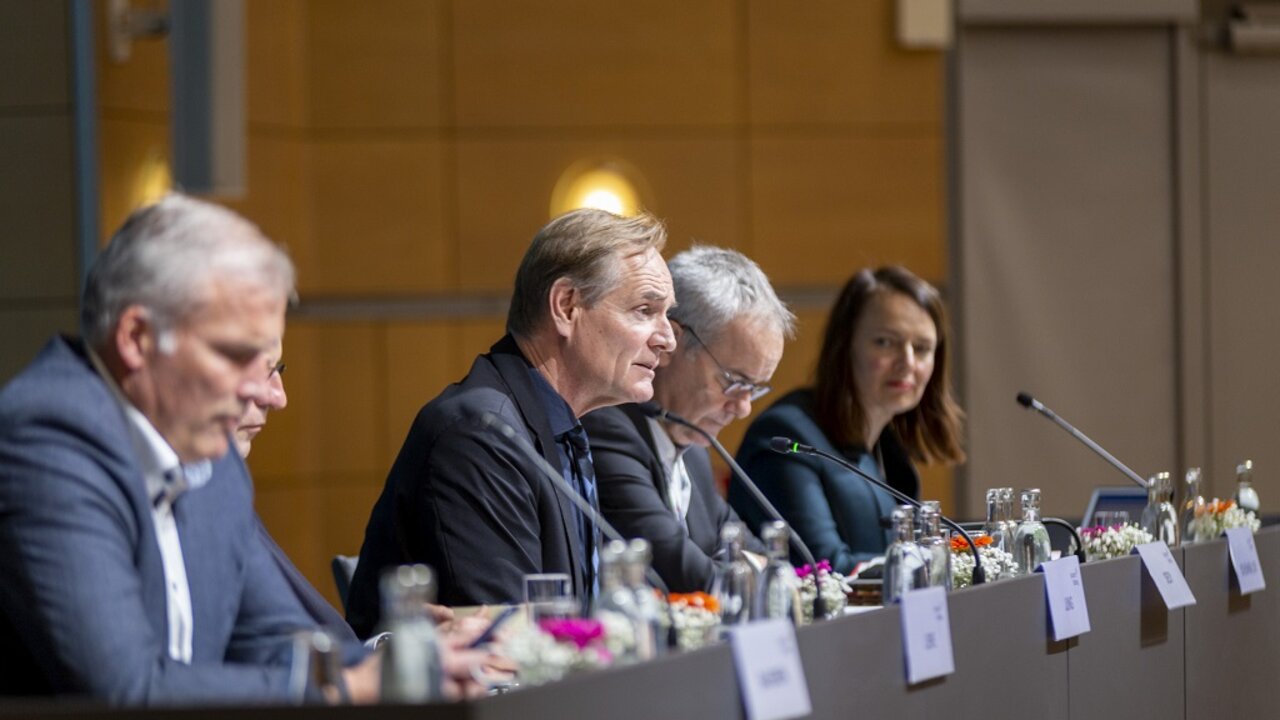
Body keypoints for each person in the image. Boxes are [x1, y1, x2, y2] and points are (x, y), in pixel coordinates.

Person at [0, 194, 380, 704]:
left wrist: (418, 664)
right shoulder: (46, 441)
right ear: (137, 337)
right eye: (237, 354)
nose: (260, 390)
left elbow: (284, 643)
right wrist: (340, 688)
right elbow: (126, 690)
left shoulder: (210, 456)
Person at [345, 208, 676, 638]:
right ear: (566, 306)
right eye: (645, 310)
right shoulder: (479, 434)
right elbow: (515, 644)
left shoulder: (557, 426)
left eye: (667, 314)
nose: (667, 338)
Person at [234, 350, 506, 699]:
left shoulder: (218, 482)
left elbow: (277, 639)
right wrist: (362, 681)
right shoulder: (475, 431)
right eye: (249, 364)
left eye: (277, 369)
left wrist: (402, 650)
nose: (278, 396)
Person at [582, 246, 793, 592]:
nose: (742, 408)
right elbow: (684, 572)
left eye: (754, 390)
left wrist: (758, 572)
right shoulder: (609, 428)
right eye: (734, 382)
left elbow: (756, 554)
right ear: (673, 343)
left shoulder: (691, 447)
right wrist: (756, 575)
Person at [730, 266, 965, 575]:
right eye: (885, 342)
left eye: (921, 349)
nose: (907, 362)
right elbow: (822, 568)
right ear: (846, 345)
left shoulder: (889, 448)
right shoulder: (786, 436)